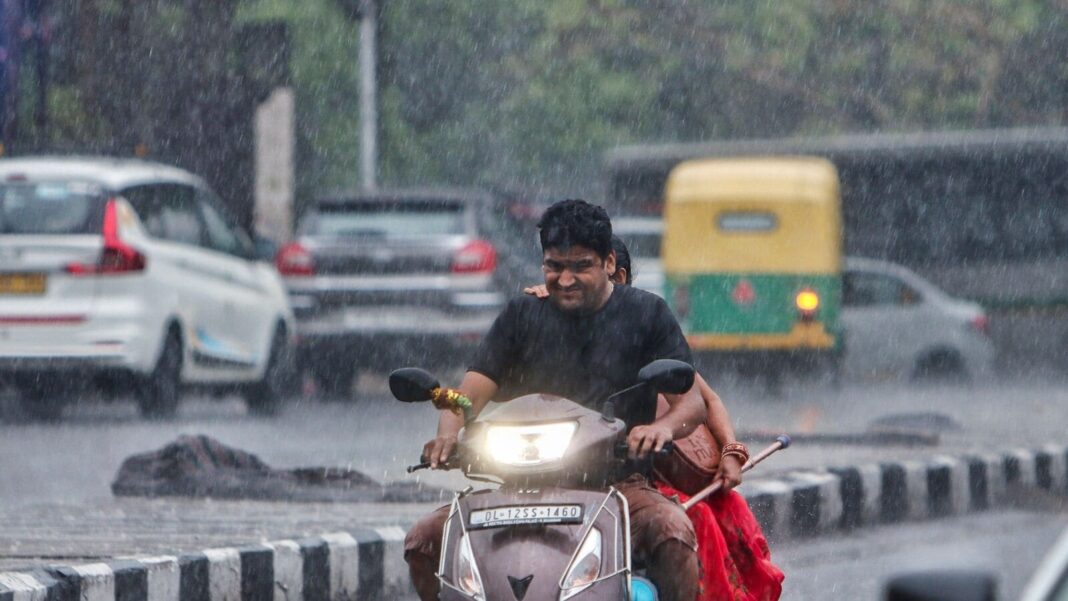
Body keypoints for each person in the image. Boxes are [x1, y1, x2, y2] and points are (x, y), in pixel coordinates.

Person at [404, 199, 715, 601]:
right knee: (422, 541)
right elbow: (465, 398)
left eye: (580, 266)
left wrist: (659, 428)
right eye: (554, 266)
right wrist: (448, 434)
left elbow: (691, 403)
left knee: (672, 531)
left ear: (607, 263)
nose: (565, 279)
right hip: (516, 486)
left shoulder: (647, 313)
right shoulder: (521, 315)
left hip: (617, 486)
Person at [526, 236, 784, 601]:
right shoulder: (547, 321)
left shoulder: (644, 327)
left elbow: (706, 400)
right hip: (571, 474)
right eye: (561, 272)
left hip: (643, 473)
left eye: (582, 270)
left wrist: (731, 452)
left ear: (616, 273)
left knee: (719, 509)